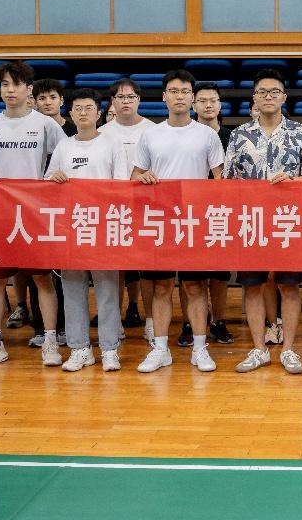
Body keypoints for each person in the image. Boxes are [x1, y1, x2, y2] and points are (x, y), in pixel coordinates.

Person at [0, 61, 67, 369]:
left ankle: (50, 340)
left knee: (42, 279)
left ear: (29, 89)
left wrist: (56, 176)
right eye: (5, 84)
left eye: (16, 84)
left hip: (36, 215)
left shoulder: (46, 125)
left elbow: (65, 161)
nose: (10, 90)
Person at [226, 68, 302, 375]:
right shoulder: (239, 135)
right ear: (254, 98)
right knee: (253, 286)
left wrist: (291, 181)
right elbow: (228, 181)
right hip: (251, 221)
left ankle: (289, 349)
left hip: (287, 221)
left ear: (284, 97)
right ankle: (259, 349)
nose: (268, 96)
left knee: (288, 286)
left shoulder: (301, 133)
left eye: (274, 92)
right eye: (262, 92)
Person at [131, 70, 225, 373]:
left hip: (194, 222)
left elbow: (220, 179)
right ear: (164, 97)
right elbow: (135, 176)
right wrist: (143, 177)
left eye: (185, 91)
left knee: (195, 286)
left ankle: (200, 348)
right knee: (160, 287)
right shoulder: (150, 134)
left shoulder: (207, 135)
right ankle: (160, 349)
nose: (180, 96)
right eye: (174, 91)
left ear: (192, 98)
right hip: (160, 222)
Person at [47, 88, 128, 373]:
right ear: (70, 113)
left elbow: (121, 186)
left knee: (107, 290)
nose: (83, 113)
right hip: (72, 228)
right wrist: (54, 178)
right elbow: (46, 184)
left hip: (104, 227)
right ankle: (79, 348)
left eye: (89, 108)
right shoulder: (63, 146)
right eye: (78, 108)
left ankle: (109, 349)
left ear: (99, 113)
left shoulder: (113, 144)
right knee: (72, 289)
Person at [98, 77, 155, 332]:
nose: (126, 101)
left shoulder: (152, 130)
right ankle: (114, 323)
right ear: (112, 101)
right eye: (120, 97)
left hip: (147, 209)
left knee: (147, 268)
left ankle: (151, 322)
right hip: (113, 210)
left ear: (139, 100)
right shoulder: (102, 133)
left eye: (131, 97)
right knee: (116, 269)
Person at [24, 77, 72, 347]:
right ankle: (41, 328)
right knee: (38, 271)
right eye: (41, 98)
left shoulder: (75, 129)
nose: (47, 102)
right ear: (34, 101)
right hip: (35, 209)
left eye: (52, 97)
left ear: (61, 100)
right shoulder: (29, 128)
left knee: (65, 272)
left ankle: (65, 326)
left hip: (67, 211)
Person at [192, 82, 235, 346]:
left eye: (213, 100)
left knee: (219, 274)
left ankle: (219, 321)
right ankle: (190, 323)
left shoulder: (233, 137)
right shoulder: (186, 134)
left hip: (222, 213)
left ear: (220, 105)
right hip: (190, 212)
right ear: (193, 104)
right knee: (191, 274)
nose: (208, 105)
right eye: (203, 100)